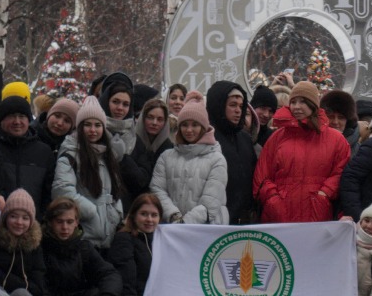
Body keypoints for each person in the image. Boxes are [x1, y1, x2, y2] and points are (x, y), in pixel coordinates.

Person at [254, 82, 350, 223]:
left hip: (317, 214)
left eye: (303, 102)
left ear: (314, 104)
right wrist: (273, 199)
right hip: (279, 215)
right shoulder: (277, 137)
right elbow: (262, 176)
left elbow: (341, 171)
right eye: (293, 102)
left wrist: (324, 193)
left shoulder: (336, 139)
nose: (296, 107)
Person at [53, 96, 124, 249]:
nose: (93, 130)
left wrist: (117, 213)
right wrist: (92, 211)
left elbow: (115, 192)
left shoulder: (108, 156)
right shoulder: (70, 155)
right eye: (88, 125)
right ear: (80, 127)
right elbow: (62, 192)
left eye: (98, 125)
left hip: (109, 237)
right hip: (84, 238)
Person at [150, 91, 229, 224]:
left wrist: (185, 223)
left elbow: (211, 201)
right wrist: (173, 215)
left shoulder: (217, 160)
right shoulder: (166, 157)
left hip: (207, 230)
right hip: (172, 228)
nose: (189, 130)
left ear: (203, 127)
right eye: (185, 125)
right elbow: (157, 189)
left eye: (195, 125)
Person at [108, 194, 162, 296]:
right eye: (144, 214)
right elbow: (127, 284)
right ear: (133, 215)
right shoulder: (124, 240)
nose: (149, 220)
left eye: (154, 215)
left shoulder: (160, 241)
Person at [0, 95, 57, 219]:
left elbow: (48, 194)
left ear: (28, 120)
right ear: (1, 120)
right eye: (11, 116)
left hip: (32, 226)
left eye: (22, 116)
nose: (17, 122)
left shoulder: (43, 152)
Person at [204, 80, 256, 224]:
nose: (238, 110)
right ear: (219, 105)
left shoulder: (245, 138)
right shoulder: (207, 137)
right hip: (218, 221)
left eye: (241, 105)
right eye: (232, 105)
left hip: (244, 221)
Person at [119, 98, 173, 199]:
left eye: (160, 119)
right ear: (143, 118)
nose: (154, 123)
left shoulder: (169, 149)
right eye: (150, 117)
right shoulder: (130, 142)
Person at [99, 72, 137, 157]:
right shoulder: (92, 130)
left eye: (125, 104)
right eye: (115, 102)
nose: (120, 108)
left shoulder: (136, 138)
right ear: (105, 102)